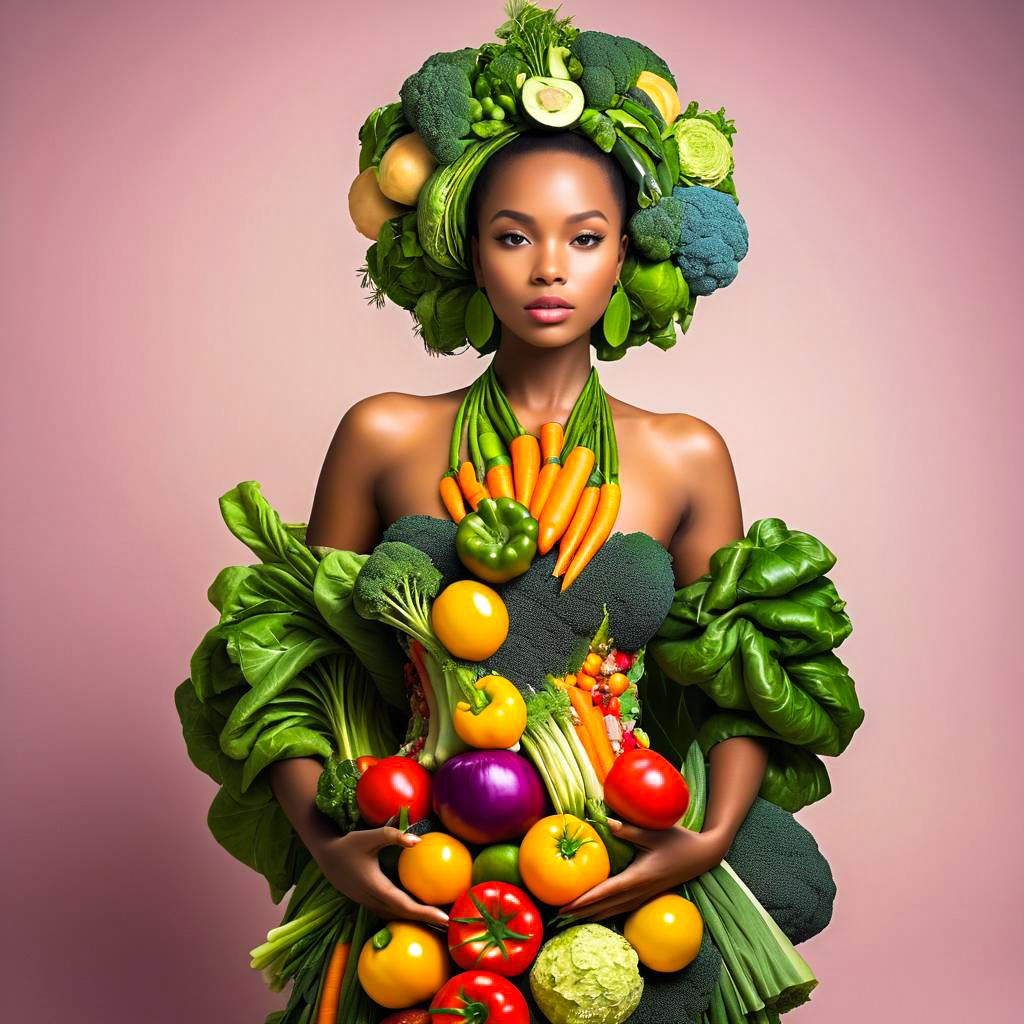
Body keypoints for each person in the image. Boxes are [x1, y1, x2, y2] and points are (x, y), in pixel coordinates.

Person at [268, 129, 770, 931]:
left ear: (625, 258)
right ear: (471, 253)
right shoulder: (382, 435)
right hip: (423, 865)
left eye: (585, 237)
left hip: (622, 857)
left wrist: (707, 840)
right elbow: (293, 659)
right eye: (513, 235)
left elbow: (742, 678)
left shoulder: (687, 455)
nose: (549, 267)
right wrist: (326, 840)